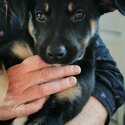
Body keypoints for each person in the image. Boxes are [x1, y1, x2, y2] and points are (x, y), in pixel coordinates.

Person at [0, 1, 125, 125]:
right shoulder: (24, 45)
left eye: (78, 15)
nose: (55, 49)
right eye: (41, 16)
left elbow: (111, 77)